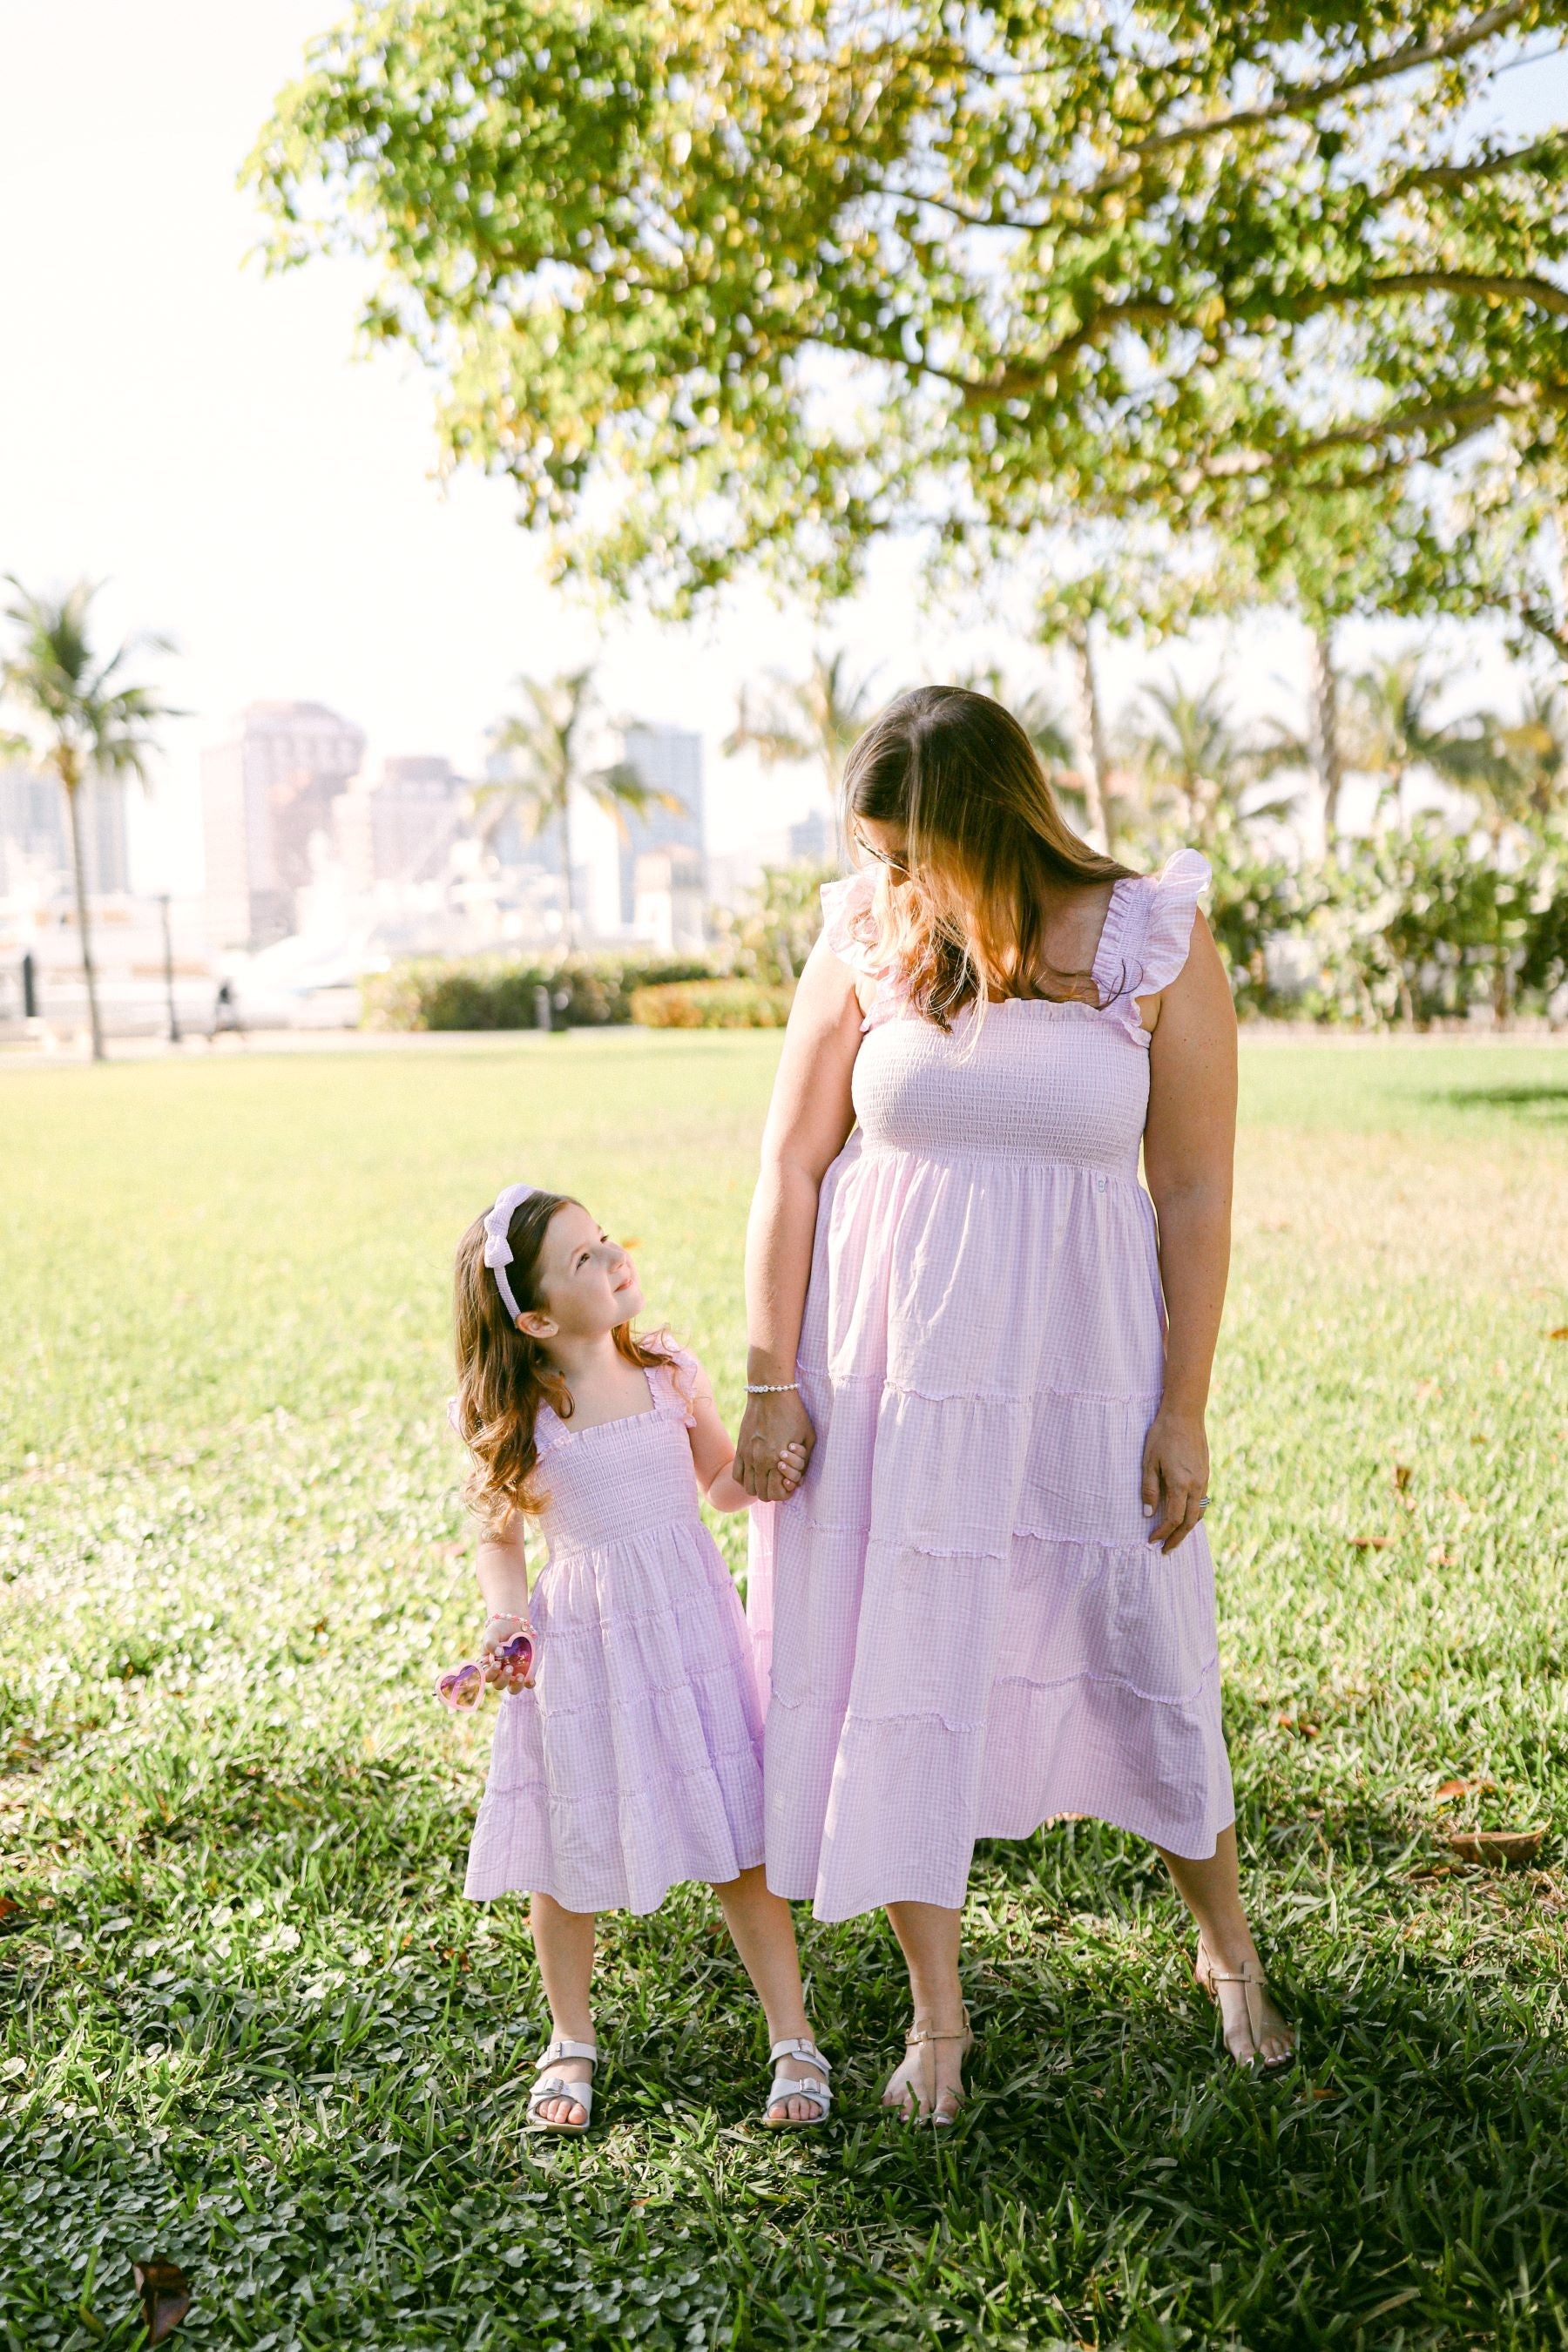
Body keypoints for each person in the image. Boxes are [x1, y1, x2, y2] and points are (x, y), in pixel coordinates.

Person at [735, 686, 1294, 2125]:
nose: (892, 882)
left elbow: (1193, 1189)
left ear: (992, 827)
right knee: (908, 1664)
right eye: (877, 854)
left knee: (1143, 1636)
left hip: (1082, 1370)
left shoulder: (1150, 936)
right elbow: (792, 1165)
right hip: (898, 1379)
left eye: (913, 853)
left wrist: (1185, 1408)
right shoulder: (869, 937)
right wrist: (769, 1379)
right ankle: (938, 2015)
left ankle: (1227, 1952)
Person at [448, 1180, 829, 2133]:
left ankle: (793, 2037)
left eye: (605, 1239)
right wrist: (505, 1622)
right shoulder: (521, 1412)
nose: (614, 1258)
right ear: (534, 1317)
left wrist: (771, 1465)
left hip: (691, 1632)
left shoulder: (664, 1371)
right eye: (584, 1259)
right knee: (565, 1854)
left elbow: (721, 1484)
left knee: (738, 1841)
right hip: (582, 1649)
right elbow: (499, 1538)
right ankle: (569, 2038)